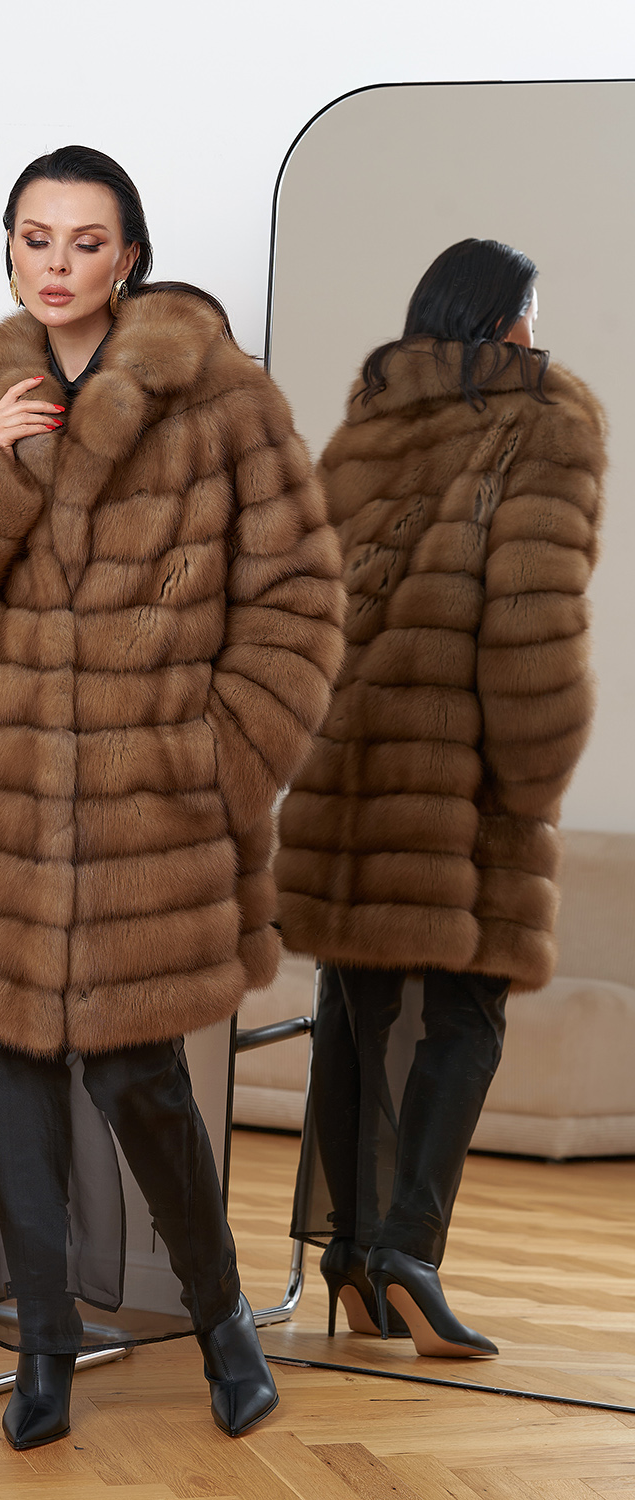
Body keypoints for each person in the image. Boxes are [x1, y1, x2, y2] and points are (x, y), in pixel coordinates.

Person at [0, 145, 344, 1447]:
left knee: (140, 1082)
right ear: (8, 248)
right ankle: (44, 1351)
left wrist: (212, 770)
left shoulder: (221, 402)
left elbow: (299, 603)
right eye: (35, 238)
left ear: (129, 255)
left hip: (144, 827)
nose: (56, 264)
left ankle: (220, 1318)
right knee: (7, 1083)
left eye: (84, 241)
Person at [275, 238, 606, 1358]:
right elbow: (534, 617)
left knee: (357, 1014)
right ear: (505, 319)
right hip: (460, 775)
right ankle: (408, 1252)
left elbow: (306, 610)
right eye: (528, 312)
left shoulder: (367, 423)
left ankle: (352, 1257)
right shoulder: (544, 419)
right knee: (465, 1015)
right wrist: (534, 774)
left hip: (347, 771)